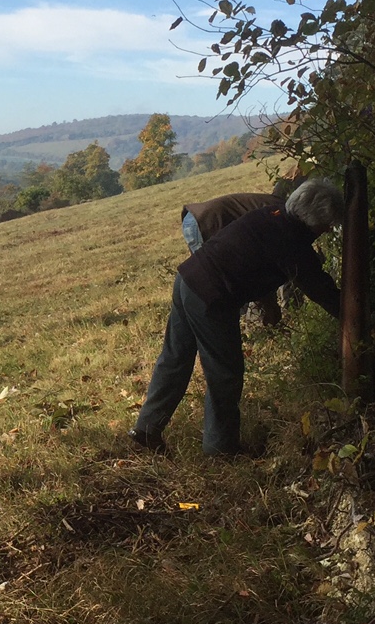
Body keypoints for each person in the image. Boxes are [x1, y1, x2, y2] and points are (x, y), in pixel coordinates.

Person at [131, 179, 344, 456]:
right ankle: (221, 449)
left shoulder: (270, 216)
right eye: (327, 224)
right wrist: (353, 314)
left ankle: (146, 429)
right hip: (210, 297)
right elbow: (319, 288)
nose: (327, 230)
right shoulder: (289, 238)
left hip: (187, 279)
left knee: (175, 357)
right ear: (314, 217)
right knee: (225, 373)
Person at [180, 183, 301, 326]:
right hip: (207, 221)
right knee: (211, 291)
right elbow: (260, 263)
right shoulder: (285, 217)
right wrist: (270, 305)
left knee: (199, 290)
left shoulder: (281, 207)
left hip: (195, 217)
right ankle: (233, 329)